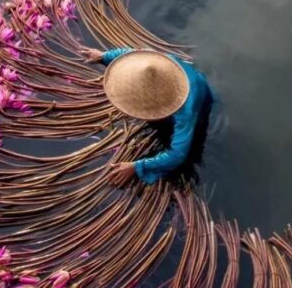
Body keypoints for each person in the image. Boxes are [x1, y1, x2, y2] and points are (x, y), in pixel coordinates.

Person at [80, 46, 212, 187]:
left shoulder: (185, 110)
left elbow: (178, 155)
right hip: (184, 79)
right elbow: (130, 55)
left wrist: (137, 166)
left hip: (199, 95)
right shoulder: (156, 63)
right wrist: (103, 56)